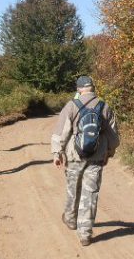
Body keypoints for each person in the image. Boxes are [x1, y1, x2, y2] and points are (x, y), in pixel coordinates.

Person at [51, 76, 120, 246]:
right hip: (97, 156)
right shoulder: (104, 107)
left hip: (75, 155)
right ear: (93, 88)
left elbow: (62, 132)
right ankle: (85, 233)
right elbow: (114, 137)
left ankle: (70, 219)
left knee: (73, 188)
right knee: (90, 193)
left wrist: (57, 153)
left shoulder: (71, 105)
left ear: (79, 89)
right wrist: (108, 153)